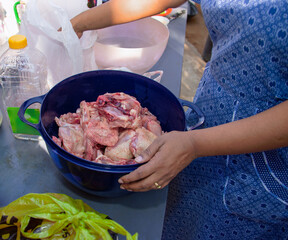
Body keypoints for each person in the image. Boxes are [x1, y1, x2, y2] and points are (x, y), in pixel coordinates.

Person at [71, 0, 288, 239]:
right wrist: (75, 25)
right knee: (178, 217)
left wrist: (196, 144)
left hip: (265, 153)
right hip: (209, 110)